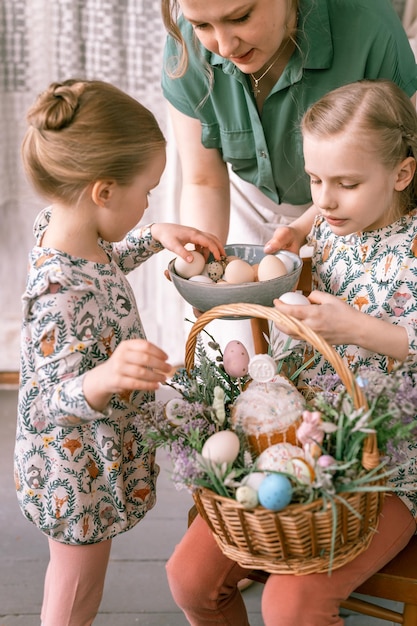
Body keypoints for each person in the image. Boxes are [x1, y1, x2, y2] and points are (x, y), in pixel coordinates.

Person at [165, 79, 417, 625]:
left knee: (289, 604)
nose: (324, 199)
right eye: (315, 179)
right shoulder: (325, 229)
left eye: (346, 183)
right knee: (188, 578)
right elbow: (311, 221)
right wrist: (294, 236)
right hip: (289, 447)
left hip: (384, 470)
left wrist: (360, 329)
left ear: (401, 173)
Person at [14, 78, 224, 626]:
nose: (149, 199)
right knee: (76, 589)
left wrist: (153, 234)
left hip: (94, 452)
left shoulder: (67, 231)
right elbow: (45, 403)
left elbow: (103, 261)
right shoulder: (57, 288)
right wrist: (105, 376)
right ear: (104, 192)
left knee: (84, 576)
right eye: (147, 191)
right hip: (73, 471)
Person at [160, 0, 417, 250]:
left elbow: (392, 167)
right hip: (243, 202)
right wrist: (204, 259)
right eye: (201, 25)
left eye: (240, 17)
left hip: (356, 218)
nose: (226, 48)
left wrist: (306, 226)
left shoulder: (368, 25)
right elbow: (204, 181)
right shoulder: (186, 46)